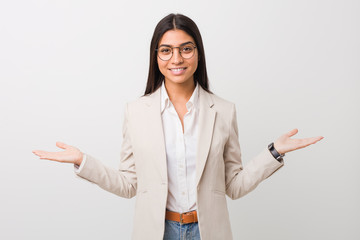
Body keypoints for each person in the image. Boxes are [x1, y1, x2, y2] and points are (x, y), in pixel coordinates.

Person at [32, 13, 323, 240]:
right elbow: (129, 184)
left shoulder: (223, 110)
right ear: (156, 55)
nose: (177, 59)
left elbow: (233, 186)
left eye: (185, 49)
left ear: (198, 52)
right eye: (166, 51)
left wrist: (273, 152)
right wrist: (83, 161)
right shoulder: (136, 111)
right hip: (158, 232)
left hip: (207, 231)